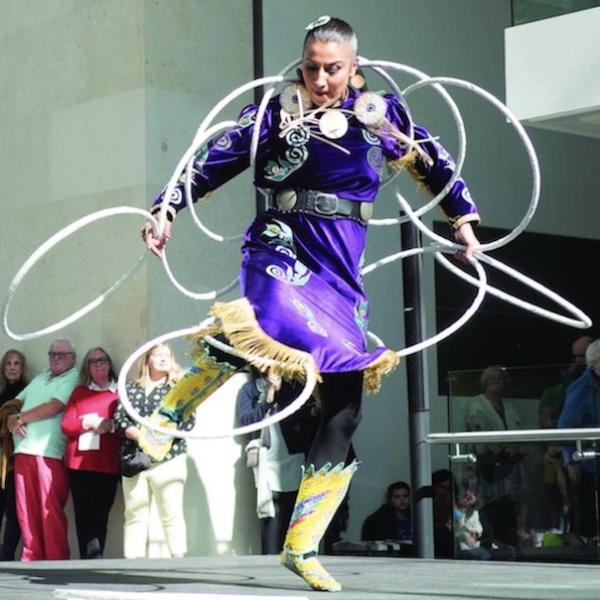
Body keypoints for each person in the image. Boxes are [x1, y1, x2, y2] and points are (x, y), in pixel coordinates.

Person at [142, 16, 480, 591]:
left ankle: (302, 544)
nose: (321, 79)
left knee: (346, 401)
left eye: (333, 68)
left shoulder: (384, 114)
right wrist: (168, 205)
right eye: (312, 67)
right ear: (300, 65)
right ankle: (169, 414)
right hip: (280, 243)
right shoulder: (275, 112)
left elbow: (434, 161)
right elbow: (214, 156)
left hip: (340, 268)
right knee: (266, 327)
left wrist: (464, 223)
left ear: (354, 66)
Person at [114, 343, 194, 559]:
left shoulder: (180, 389)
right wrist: (133, 432)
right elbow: (120, 416)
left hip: (169, 459)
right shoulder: (131, 388)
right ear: (147, 359)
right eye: (157, 354)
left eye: (167, 355)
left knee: (171, 513)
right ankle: (133, 562)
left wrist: (158, 436)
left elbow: (188, 422)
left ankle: (178, 560)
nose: (162, 358)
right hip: (136, 459)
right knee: (134, 513)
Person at [7, 339, 79, 560]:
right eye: (52, 354)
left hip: (48, 454)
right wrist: (10, 419)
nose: (55, 358)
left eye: (61, 354)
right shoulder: (41, 377)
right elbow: (14, 404)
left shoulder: (73, 376)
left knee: (50, 510)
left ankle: (55, 561)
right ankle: (32, 558)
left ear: (72, 358)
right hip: (23, 452)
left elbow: (55, 406)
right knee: (25, 511)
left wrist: (20, 418)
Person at [237, 369, 318, 554]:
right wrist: (267, 398)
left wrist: (282, 391)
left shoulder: (293, 387)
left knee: (293, 510)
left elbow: (304, 415)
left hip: (292, 457)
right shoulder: (250, 389)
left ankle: (294, 555)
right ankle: (269, 559)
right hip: (266, 460)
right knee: (270, 513)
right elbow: (247, 419)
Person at [61, 347, 121, 558]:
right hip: (79, 466)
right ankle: (83, 564)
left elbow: (127, 426)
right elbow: (67, 425)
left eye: (103, 360)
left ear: (109, 363)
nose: (99, 364)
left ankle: (95, 562)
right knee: (82, 517)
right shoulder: (80, 392)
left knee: (99, 518)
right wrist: (88, 422)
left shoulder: (119, 393)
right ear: (87, 367)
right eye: (93, 361)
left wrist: (110, 425)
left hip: (106, 466)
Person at [465, 366, 526, 548]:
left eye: (499, 377)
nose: (495, 380)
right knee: (492, 523)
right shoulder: (477, 405)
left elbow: (520, 432)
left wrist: (519, 449)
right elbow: (480, 438)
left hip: (511, 473)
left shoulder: (508, 406)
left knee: (510, 525)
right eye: (491, 377)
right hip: (489, 473)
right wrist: (506, 451)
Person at [558, 338, 600, 539]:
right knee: (588, 518)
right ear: (596, 361)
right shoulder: (581, 388)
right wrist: (571, 460)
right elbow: (565, 426)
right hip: (588, 464)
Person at [0, 349, 28, 560]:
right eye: (8, 363)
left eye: (16, 363)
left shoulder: (25, 392)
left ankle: (7, 554)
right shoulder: (2, 392)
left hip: (14, 460)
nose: (11, 367)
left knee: (13, 510)